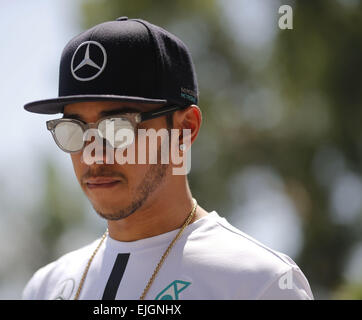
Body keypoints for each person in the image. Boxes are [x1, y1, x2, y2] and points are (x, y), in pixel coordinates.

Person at [22, 17, 313, 300]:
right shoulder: (46, 287)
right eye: (74, 130)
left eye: (118, 128)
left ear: (186, 128)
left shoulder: (258, 283)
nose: (93, 154)